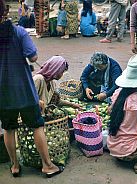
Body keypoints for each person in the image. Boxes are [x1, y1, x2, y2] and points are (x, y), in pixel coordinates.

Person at [0, 0, 63, 178]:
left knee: (9, 128)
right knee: (37, 125)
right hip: (24, 91)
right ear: (5, 12)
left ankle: (14, 165)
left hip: (3, 93)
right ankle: (47, 165)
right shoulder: (19, 32)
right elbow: (33, 56)